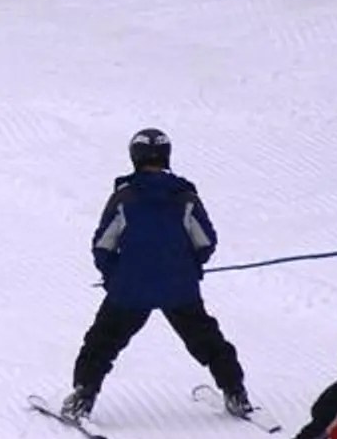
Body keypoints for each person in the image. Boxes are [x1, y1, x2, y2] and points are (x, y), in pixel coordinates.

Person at [57, 128, 252, 423]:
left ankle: (83, 396)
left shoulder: (124, 198)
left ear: (134, 157)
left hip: (130, 288)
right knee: (206, 338)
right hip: (179, 287)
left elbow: (103, 246)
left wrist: (113, 276)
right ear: (166, 156)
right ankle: (235, 391)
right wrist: (190, 267)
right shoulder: (185, 197)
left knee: (102, 342)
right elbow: (206, 242)